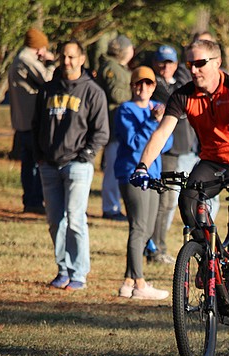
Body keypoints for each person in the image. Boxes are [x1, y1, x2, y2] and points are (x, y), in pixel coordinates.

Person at [133, 39, 229, 339]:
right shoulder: (183, 95)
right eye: (190, 64)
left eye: (200, 63)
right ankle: (209, 255)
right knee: (187, 200)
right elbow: (162, 132)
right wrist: (143, 166)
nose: (194, 70)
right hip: (211, 162)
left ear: (216, 62)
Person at [33, 39, 109, 291]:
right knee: (55, 220)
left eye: (72, 57)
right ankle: (62, 269)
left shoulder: (92, 91)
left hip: (77, 164)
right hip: (49, 164)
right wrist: (40, 154)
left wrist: (85, 155)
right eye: (63, 56)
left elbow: (101, 132)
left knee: (75, 219)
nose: (67, 62)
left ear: (82, 59)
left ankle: (79, 273)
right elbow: (36, 125)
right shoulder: (47, 90)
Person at [113, 66, 173, 300]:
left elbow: (166, 143)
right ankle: (139, 283)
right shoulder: (125, 110)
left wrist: (159, 123)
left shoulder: (155, 108)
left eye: (148, 84)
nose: (143, 88)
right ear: (131, 86)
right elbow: (133, 143)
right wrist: (152, 122)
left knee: (147, 229)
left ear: (154, 87)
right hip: (133, 174)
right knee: (139, 228)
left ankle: (128, 282)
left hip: (154, 175)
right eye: (138, 83)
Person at [147, 44, 199, 264]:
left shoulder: (180, 84)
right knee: (165, 201)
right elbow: (173, 99)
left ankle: (157, 246)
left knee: (173, 203)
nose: (164, 66)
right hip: (167, 150)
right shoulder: (155, 86)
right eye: (161, 62)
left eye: (169, 62)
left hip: (185, 150)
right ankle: (156, 249)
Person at [8, 28, 55, 214]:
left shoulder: (18, 60)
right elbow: (47, 80)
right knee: (36, 163)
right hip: (31, 122)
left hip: (21, 122)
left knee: (28, 164)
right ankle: (34, 202)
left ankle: (30, 200)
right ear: (39, 47)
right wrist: (50, 63)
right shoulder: (26, 60)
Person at [98, 34, 134, 221]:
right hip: (113, 123)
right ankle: (110, 207)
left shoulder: (117, 67)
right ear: (124, 50)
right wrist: (134, 93)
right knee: (112, 167)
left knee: (116, 166)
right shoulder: (111, 67)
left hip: (119, 123)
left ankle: (113, 205)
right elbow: (115, 93)